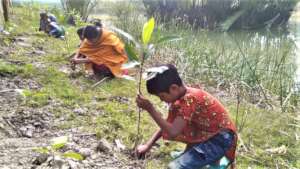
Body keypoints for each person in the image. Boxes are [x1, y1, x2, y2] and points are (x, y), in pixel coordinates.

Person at [135, 64, 237, 169]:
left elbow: (173, 131)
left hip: (221, 139)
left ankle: (214, 160)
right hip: (210, 134)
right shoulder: (182, 98)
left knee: (175, 167)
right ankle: (210, 160)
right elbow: (168, 125)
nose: (161, 99)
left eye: (162, 96)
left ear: (174, 88)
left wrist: (150, 109)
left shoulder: (190, 100)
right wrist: (148, 145)